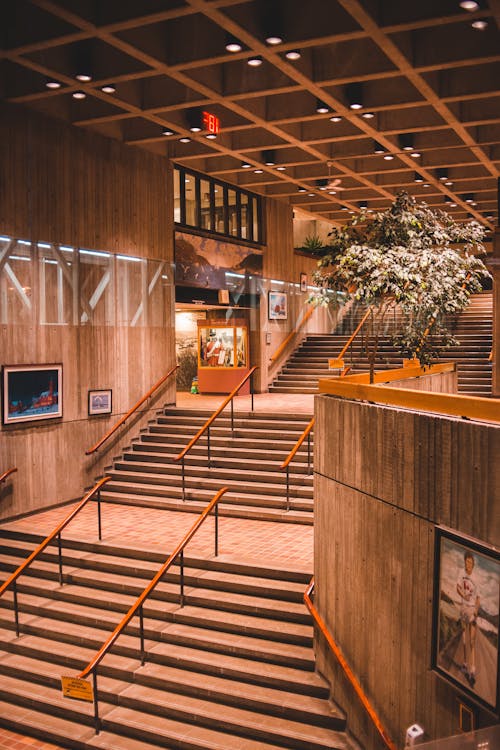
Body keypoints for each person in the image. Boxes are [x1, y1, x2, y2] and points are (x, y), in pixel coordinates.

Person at [456, 551, 480, 688]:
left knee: (472, 641)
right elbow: (458, 588)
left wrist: (476, 609)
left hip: (471, 610)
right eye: (466, 562)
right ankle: (465, 664)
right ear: (465, 562)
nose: (468, 564)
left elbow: (478, 598)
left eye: (470, 562)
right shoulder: (461, 573)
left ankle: (472, 670)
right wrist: (462, 596)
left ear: (473, 564)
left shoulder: (476, 578)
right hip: (463, 609)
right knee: (464, 639)